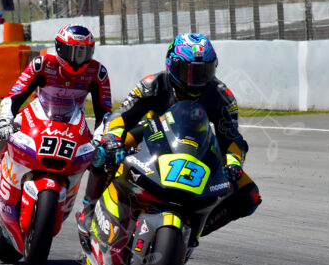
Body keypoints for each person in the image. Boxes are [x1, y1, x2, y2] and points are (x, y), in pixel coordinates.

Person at [78, 33, 261, 239]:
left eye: (203, 72)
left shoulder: (222, 96)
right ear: (171, 65)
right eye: (187, 71)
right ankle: (89, 208)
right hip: (150, 135)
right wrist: (112, 138)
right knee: (104, 151)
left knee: (250, 195)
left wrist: (234, 163)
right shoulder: (152, 84)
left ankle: (192, 233)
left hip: (198, 147)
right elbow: (121, 115)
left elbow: (232, 139)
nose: (194, 81)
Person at [0, 23, 112, 204]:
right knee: (0, 136)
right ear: (61, 48)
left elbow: (105, 114)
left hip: (73, 122)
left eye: (85, 52)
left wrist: (101, 138)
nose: (79, 59)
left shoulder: (98, 72)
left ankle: (93, 208)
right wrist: (5, 120)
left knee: (104, 160)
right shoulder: (42, 64)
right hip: (38, 114)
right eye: (75, 52)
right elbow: (14, 97)